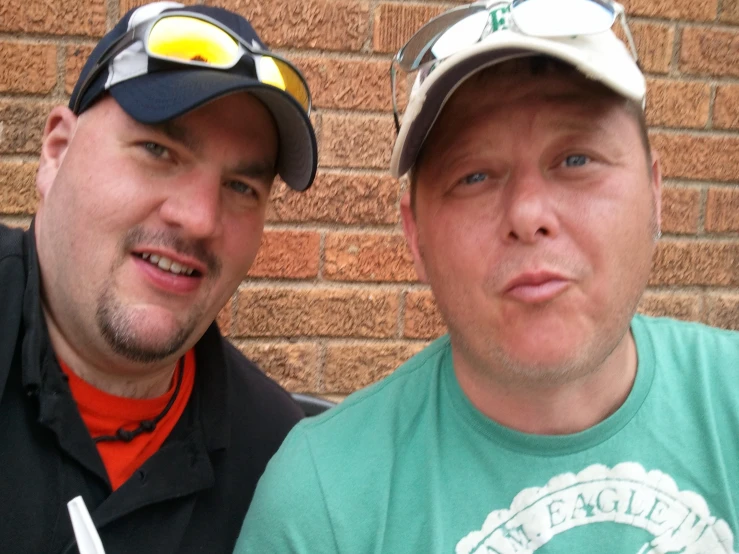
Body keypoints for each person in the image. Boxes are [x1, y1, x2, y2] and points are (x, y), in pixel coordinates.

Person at [234, 0, 739, 552]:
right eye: (473, 175)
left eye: (577, 159)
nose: (527, 214)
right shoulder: (321, 505)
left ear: (655, 194)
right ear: (416, 236)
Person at [0, 2, 318, 552]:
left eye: (242, 187)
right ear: (56, 152)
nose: (198, 218)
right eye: (157, 150)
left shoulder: (278, 466)